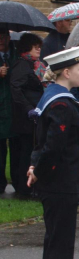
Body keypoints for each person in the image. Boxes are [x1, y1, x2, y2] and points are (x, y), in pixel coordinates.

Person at [28, 47, 79, 259]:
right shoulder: (61, 104)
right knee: (60, 243)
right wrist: (38, 170)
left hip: (58, 179)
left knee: (57, 240)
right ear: (66, 72)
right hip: (60, 181)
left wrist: (34, 166)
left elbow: (43, 141)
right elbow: (53, 146)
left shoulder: (56, 97)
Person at [10, 33, 46, 197]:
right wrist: (28, 109)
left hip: (32, 116)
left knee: (29, 150)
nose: (38, 49)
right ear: (26, 48)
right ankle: (24, 188)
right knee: (25, 152)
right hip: (25, 118)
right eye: (35, 46)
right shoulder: (22, 66)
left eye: (39, 46)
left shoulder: (34, 65)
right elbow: (16, 90)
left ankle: (28, 187)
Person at [0, 30, 18, 193]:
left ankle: (19, 182)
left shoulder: (16, 55)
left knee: (17, 148)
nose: (1, 39)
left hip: (14, 108)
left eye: (4, 36)